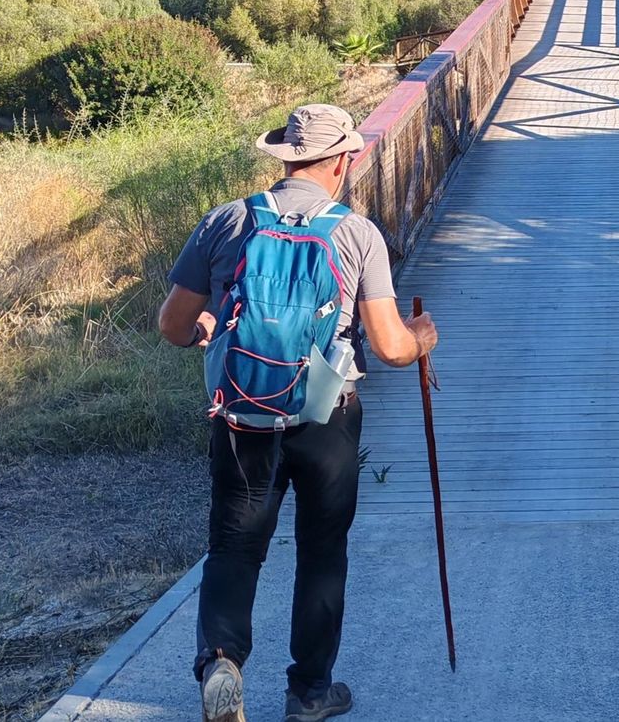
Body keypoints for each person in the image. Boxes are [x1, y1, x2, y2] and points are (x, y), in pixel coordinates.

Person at [158, 104, 438, 722]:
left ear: (285, 157)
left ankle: (221, 662)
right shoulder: (356, 234)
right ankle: (310, 692)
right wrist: (423, 337)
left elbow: (172, 325)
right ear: (342, 160)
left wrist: (207, 326)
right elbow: (391, 346)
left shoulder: (228, 221)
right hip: (325, 416)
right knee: (321, 549)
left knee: (234, 545)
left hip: (242, 416)